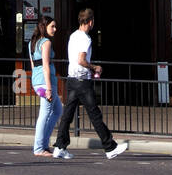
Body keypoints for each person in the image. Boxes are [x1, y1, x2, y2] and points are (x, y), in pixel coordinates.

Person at [52, 9, 128, 160]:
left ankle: (59, 147)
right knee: (95, 115)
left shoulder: (73, 36)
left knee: (67, 115)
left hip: (71, 80)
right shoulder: (86, 39)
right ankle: (110, 147)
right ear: (91, 22)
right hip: (82, 81)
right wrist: (95, 67)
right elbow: (81, 60)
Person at [29, 14, 62, 156]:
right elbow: (46, 66)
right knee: (45, 114)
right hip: (46, 81)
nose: (55, 29)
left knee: (57, 110)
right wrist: (49, 87)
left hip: (37, 81)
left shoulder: (32, 42)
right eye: (52, 26)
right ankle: (39, 147)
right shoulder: (46, 42)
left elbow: (33, 64)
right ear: (44, 27)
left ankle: (43, 143)